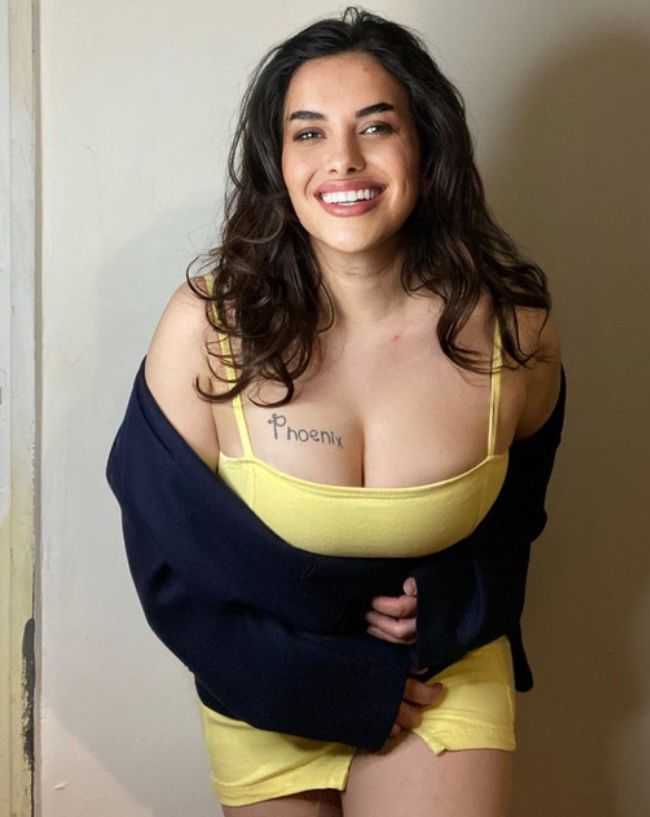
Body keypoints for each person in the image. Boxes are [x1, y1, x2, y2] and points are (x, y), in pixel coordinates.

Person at [142, 6, 562, 816]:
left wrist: (449, 605)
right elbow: (167, 562)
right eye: (309, 132)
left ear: (425, 144)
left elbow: (517, 524)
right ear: (277, 160)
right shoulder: (205, 329)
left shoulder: (518, 334)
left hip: (437, 676)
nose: (343, 159)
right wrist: (322, 671)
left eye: (376, 126)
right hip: (264, 683)